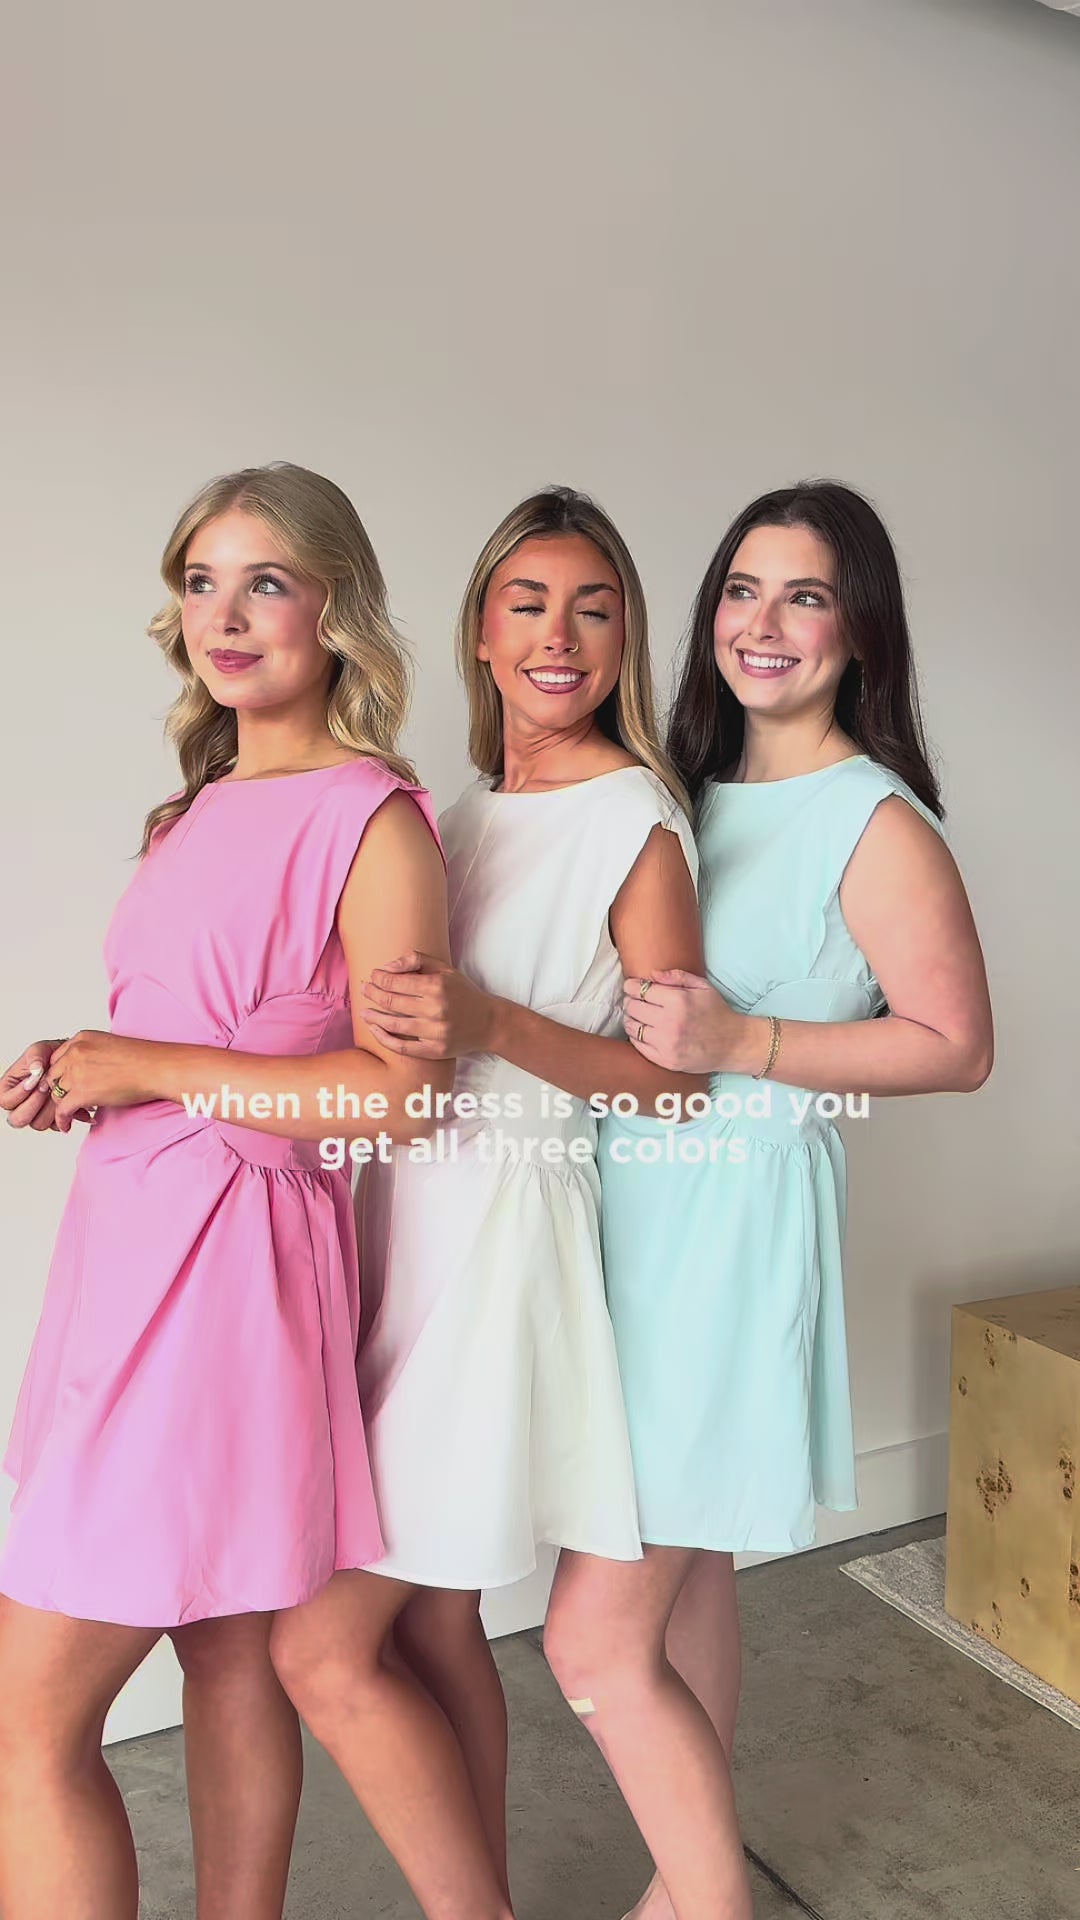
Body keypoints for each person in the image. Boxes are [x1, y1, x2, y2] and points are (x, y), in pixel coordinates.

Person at [0, 462, 509, 1920]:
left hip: (221, 1278)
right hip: (129, 1250)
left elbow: (399, 1093)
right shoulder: (200, 807)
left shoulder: (372, 817)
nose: (224, 616)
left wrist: (148, 1066)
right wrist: (86, 1068)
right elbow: (203, 1035)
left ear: (335, 608)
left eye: (265, 582)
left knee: (27, 1721)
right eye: (202, 582)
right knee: (225, 1652)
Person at [549, 480, 994, 1920]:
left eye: (806, 595)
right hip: (626, 1212)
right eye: (743, 589)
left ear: (860, 628)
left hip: (729, 1234)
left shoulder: (875, 819)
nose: (766, 623)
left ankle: (712, 1905)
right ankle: (685, 1892)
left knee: (592, 1639)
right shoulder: (682, 787)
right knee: (688, 1581)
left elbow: (956, 1045)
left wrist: (744, 1040)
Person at [345, 484, 706, 1906]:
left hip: (502, 1225)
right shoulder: (458, 812)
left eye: (593, 610)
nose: (560, 636)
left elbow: (674, 1085)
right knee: (432, 1624)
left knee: (341, 1634)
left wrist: (494, 1024)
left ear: (625, 643)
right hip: (407, 1204)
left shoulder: (636, 822)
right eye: (529, 604)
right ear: (482, 635)